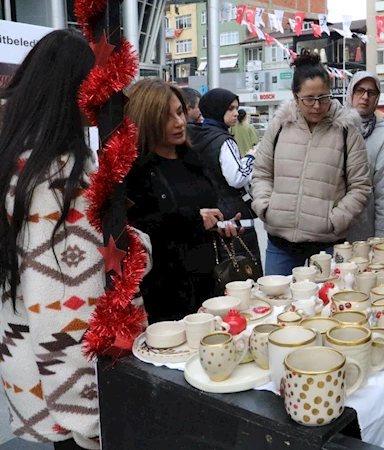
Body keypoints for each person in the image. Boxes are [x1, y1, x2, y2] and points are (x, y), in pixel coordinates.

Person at [0, 29, 134, 449]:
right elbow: (64, 306)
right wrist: (90, 414)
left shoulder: (13, 158)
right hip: (68, 393)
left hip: (24, 365)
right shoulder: (58, 177)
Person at [126, 79, 240, 322]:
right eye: (167, 117)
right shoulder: (136, 169)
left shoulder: (191, 157)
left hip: (207, 284)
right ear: (148, 121)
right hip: (165, 294)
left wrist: (220, 225)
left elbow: (206, 206)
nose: (179, 123)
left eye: (180, 112)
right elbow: (136, 231)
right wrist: (191, 218)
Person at [251, 51, 370, 276]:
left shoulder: (346, 130)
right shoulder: (279, 126)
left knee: (325, 306)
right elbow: (262, 173)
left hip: (326, 244)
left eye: (323, 97)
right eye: (308, 99)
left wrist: (336, 219)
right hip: (280, 243)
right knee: (278, 305)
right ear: (295, 97)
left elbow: (361, 186)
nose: (317, 106)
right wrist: (266, 207)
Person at [187, 88, 262, 272]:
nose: (236, 113)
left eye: (236, 108)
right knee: (243, 268)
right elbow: (236, 177)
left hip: (210, 209)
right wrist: (251, 158)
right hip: (233, 213)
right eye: (230, 109)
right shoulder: (223, 140)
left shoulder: (197, 134)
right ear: (217, 110)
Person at [346, 71, 384, 241]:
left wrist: (382, 242)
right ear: (350, 93)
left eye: (372, 92)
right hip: (325, 235)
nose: (365, 97)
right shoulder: (333, 128)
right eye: (360, 90)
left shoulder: (383, 137)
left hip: (361, 237)